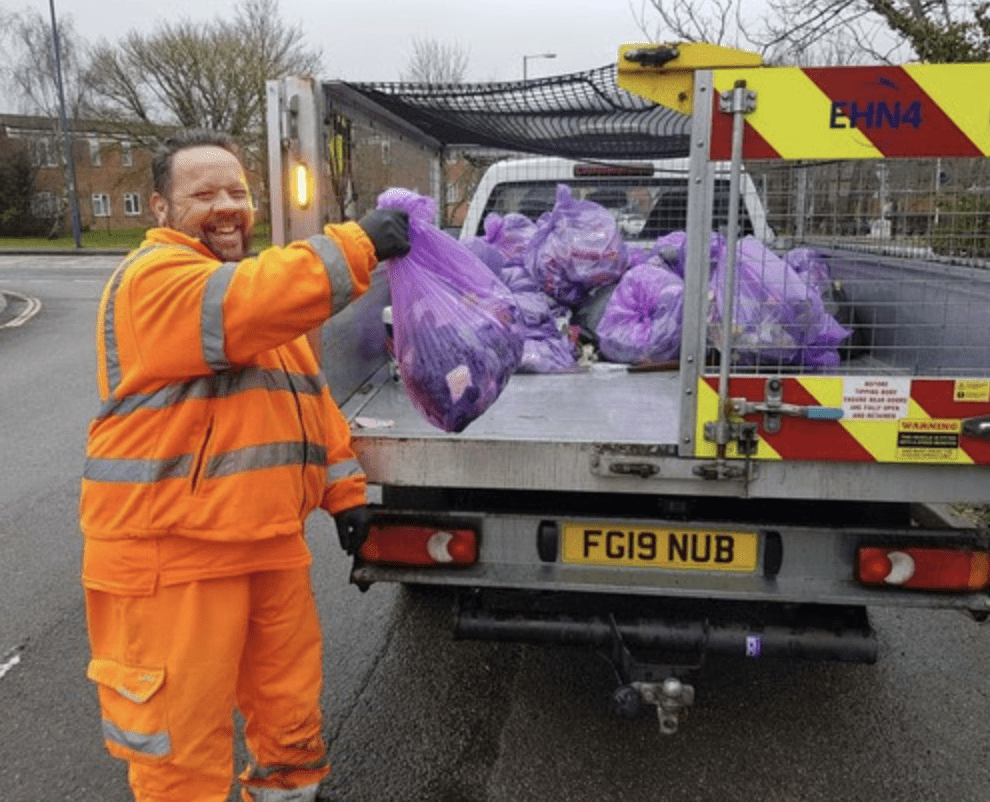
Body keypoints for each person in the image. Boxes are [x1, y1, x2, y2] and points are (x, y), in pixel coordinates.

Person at [79, 128, 409, 802]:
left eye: (237, 191)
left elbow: (308, 407)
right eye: (203, 194)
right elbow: (257, 297)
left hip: (264, 544)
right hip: (173, 555)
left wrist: (345, 495)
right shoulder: (154, 282)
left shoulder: (247, 299)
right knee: (182, 744)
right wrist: (358, 243)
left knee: (288, 712)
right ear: (159, 210)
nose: (227, 205)